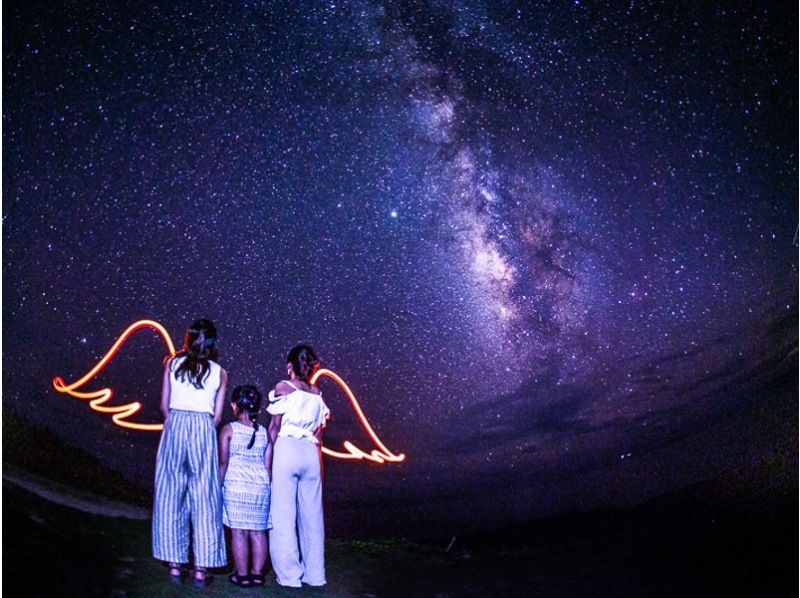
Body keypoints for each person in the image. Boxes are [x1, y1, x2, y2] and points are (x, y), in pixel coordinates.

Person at [152, 318, 228, 588]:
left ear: (188, 338)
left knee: (171, 493)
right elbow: (217, 416)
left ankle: (175, 565)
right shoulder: (219, 372)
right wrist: (202, 429)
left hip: (175, 425)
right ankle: (200, 569)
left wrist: (176, 424)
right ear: (212, 342)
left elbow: (164, 406)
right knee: (205, 496)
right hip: (203, 427)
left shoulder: (171, 364)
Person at [267, 344, 331, 587]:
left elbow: (274, 426)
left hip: (288, 448)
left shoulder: (284, 387)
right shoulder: (317, 394)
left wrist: (271, 456)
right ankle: (315, 575)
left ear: (290, 366)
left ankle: (290, 576)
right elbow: (319, 435)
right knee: (313, 518)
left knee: (283, 516)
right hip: (310, 453)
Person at [218, 385, 272, 588]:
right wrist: (266, 488)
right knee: (258, 531)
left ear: (234, 405)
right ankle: (257, 574)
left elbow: (223, 462)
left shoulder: (228, 430)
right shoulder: (264, 433)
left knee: (238, 532)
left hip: (235, 486)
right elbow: (268, 466)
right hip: (259, 487)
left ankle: (242, 575)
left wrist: (218, 485)